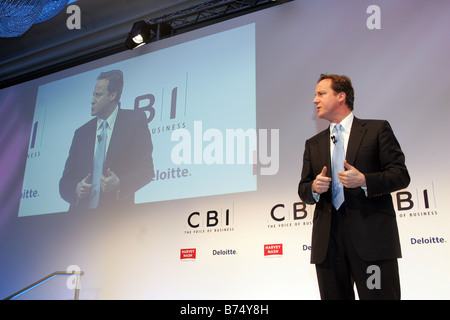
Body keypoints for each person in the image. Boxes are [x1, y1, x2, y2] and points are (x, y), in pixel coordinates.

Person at [298, 74, 410, 299]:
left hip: (372, 243)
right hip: (328, 245)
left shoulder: (377, 130)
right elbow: (303, 189)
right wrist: (314, 188)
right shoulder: (314, 144)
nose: (314, 100)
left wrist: (365, 180)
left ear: (341, 96)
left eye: (321, 93)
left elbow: (400, 175)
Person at [59, 70, 154, 212]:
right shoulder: (81, 133)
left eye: (98, 95)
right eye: (93, 95)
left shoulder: (135, 121)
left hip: (116, 221)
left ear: (112, 95)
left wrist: (120, 184)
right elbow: (64, 181)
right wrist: (76, 189)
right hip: (78, 223)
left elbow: (146, 170)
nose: (92, 100)